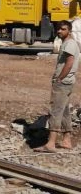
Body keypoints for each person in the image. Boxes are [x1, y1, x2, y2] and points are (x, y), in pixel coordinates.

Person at [35, 20, 78, 152]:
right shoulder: (68, 43)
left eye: (63, 29)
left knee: (56, 111)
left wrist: (59, 79)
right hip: (68, 82)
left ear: (69, 31)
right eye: (59, 29)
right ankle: (66, 141)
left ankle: (51, 144)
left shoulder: (69, 44)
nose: (59, 31)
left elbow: (69, 63)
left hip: (63, 83)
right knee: (64, 111)